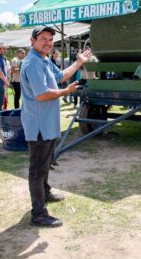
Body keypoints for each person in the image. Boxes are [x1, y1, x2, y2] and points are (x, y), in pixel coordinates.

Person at [21, 25, 91, 227]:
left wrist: (78, 62)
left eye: (50, 39)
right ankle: (39, 214)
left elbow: (61, 76)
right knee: (37, 169)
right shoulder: (33, 63)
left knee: (45, 163)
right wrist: (65, 92)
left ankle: (46, 192)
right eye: (43, 38)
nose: (48, 42)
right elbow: (42, 94)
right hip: (39, 126)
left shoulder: (43, 60)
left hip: (47, 124)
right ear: (32, 41)